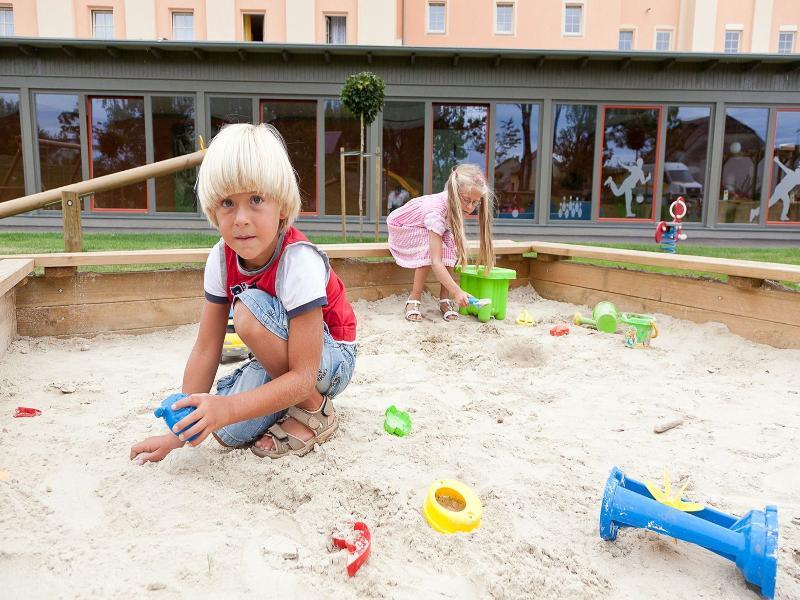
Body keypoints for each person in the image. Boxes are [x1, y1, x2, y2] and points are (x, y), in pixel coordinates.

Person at [130, 123, 357, 463]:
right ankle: (281, 405)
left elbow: (304, 375)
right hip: (280, 353)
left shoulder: (298, 260)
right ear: (213, 209)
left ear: (281, 206)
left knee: (248, 315)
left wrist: (229, 406)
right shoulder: (220, 258)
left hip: (330, 360)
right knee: (225, 431)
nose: (241, 219)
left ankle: (315, 411)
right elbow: (206, 348)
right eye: (227, 203)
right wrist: (179, 431)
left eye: (255, 199)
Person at [386, 163, 495, 322]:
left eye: (475, 202)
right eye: (466, 200)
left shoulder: (456, 206)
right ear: (454, 192)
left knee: (450, 245)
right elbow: (436, 261)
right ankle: (414, 299)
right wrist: (457, 291)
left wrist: (454, 291)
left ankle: (444, 300)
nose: (470, 207)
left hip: (426, 225)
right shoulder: (435, 212)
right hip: (403, 227)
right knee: (428, 250)